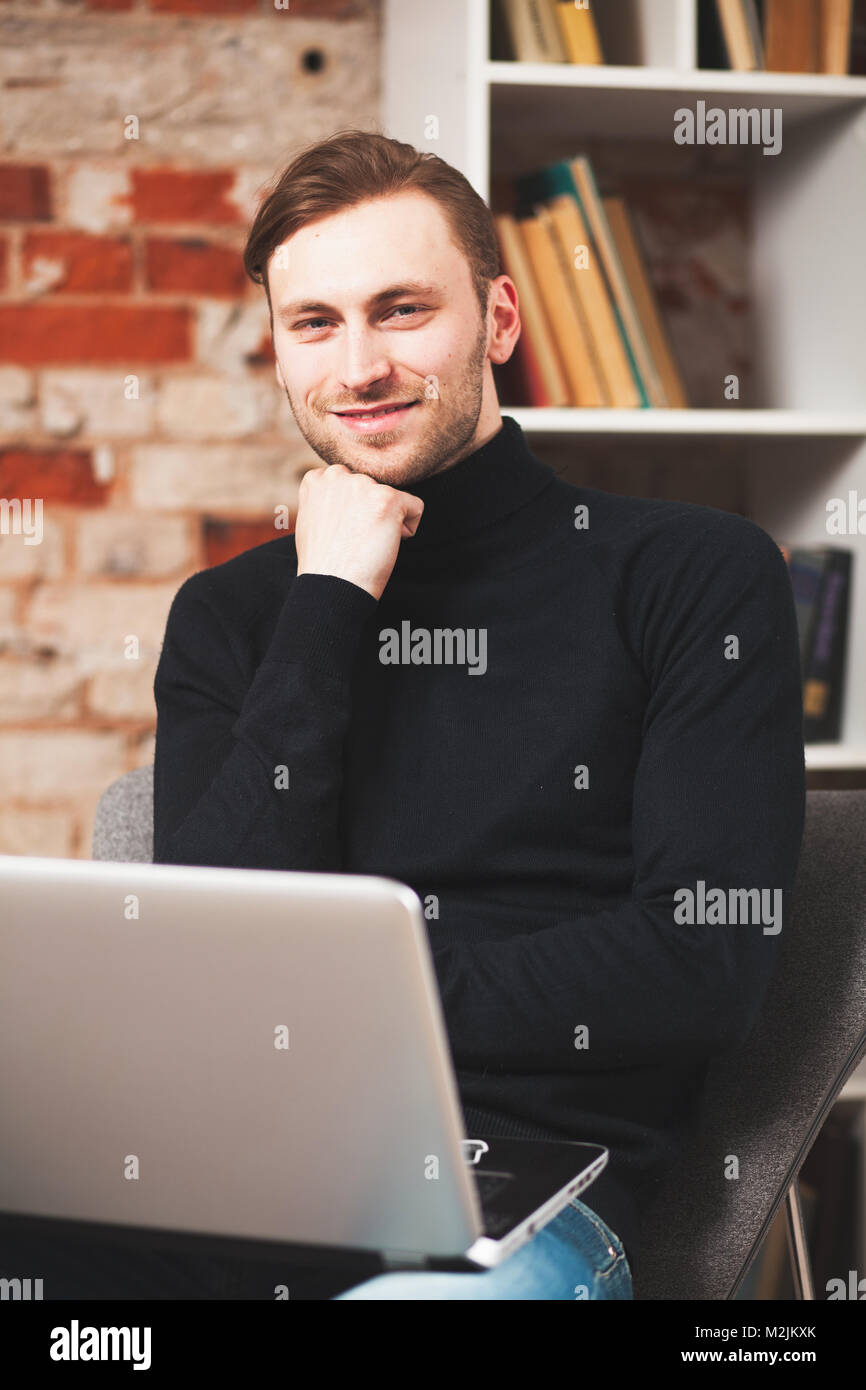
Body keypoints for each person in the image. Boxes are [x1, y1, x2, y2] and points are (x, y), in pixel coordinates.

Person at [2, 128, 804, 1300]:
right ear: (277, 354)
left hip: (513, 1198)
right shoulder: (235, 616)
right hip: (231, 1175)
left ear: (499, 322)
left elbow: (698, 960)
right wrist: (328, 599)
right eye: (314, 323)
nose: (359, 364)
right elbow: (223, 951)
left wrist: (356, 998)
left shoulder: (690, 575)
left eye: (401, 310)